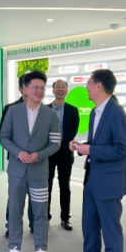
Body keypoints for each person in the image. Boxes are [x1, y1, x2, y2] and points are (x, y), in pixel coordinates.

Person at [66, 70, 126, 252]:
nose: (85, 86)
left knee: (111, 231)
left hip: (110, 181)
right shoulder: (95, 112)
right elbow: (97, 144)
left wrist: (91, 150)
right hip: (92, 178)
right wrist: (81, 146)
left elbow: (122, 149)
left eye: (88, 83)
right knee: (90, 226)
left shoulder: (116, 113)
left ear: (98, 86)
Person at [0, 71, 60, 252]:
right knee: (15, 211)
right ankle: (14, 250)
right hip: (17, 172)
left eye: (42, 87)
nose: (39, 91)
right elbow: (3, 138)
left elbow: (55, 143)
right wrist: (18, 153)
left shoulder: (51, 114)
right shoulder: (13, 111)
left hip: (39, 173)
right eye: (35, 87)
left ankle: (40, 251)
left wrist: (38, 155)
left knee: (41, 212)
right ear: (25, 89)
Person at [0, 73, 34, 237]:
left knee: (36, 195)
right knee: (15, 195)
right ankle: (12, 226)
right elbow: (4, 136)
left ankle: (35, 224)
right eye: (30, 86)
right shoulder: (10, 108)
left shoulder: (44, 110)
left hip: (37, 161)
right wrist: (19, 152)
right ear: (21, 88)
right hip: (17, 160)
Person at [46, 80, 80, 231]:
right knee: (47, 186)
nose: (60, 89)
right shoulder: (45, 109)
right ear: (53, 90)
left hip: (66, 152)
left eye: (63, 87)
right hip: (49, 152)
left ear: (67, 90)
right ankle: (45, 217)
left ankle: (65, 218)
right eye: (57, 87)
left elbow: (73, 131)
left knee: (64, 186)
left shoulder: (73, 110)